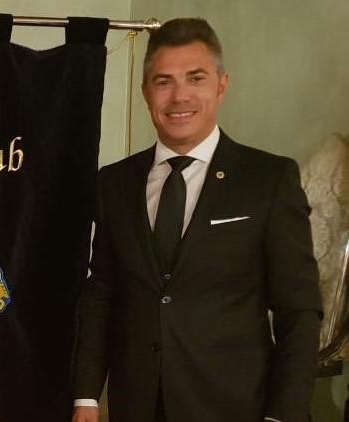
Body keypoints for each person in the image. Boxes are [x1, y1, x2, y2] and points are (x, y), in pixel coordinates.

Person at [72, 18, 322, 422]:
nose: (179, 96)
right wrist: (85, 396)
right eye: (164, 82)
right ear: (145, 91)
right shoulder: (114, 182)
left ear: (221, 85)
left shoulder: (269, 179)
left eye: (196, 78)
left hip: (235, 407)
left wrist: (284, 415)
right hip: (136, 404)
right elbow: (101, 292)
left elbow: (299, 310)